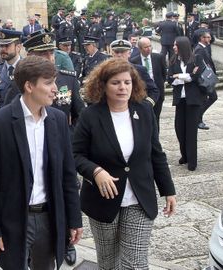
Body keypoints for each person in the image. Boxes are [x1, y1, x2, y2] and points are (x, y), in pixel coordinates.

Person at [0, 55, 83, 270]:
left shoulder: (58, 119)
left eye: (55, 81)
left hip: (48, 216)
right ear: (29, 86)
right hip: (14, 219)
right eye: (48, 83)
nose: (55, 88)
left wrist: (74, 218)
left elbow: (68, 175)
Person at [73, 57, 177, 269]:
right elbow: (75, 154)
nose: (123, 87)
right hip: (103, 200)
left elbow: (156, 153)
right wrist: (95, 171)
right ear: (103, 85)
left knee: (135, 264)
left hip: (139, 198)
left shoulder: (145, 111)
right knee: (108, 262)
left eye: (127, 82)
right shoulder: (90, 115)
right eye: (116, 83)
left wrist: (169, 190)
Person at [22, 31, 86, 266]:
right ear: (30, 56)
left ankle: (67, 243)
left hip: (61, 152)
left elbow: (80, 115)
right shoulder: (21, 83)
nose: (49, 57)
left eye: (51, 52)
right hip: (32, 153)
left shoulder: (67, 79)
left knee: (65, 194)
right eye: (43, 53)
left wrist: (72, 143)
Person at [168, 36, 207, 171]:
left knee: (191, 131)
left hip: (193, 100)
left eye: (175, 45)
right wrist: (185, 76)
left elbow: (196, 77)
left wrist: (179, 76)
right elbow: (170, 79)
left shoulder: (196, 58)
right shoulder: (173, 60)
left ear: (182, 46)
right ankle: (184, 155)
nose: (173, 47)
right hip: (180, 99)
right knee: (179, 129)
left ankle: (192, 160)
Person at [130, 37, 167, 129]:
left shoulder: (158, 58)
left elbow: (163, 74)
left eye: (150, 46)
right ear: (140, 48)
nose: (149, 48)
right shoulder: (134, 61)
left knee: (156, 118)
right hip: (142, 94)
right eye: (146, 47)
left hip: (157, 93)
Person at [110, 39, 159, 106]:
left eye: (122, 52)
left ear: (129, 54)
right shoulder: (106, 71)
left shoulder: (139, 70)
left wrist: (147, 105)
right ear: (112, 54)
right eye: (116, 52)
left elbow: (154, 91)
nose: (119, 55)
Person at [0, 29, 23, 111]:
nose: (2, 49)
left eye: (7, 46)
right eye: (1, 46)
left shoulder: (28, 68)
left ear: (18, 47)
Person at [195, 31, 217, 130]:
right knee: (212, 97)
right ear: (201, 38)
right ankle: (197, 119)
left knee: (208, 98)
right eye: (207, 37)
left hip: (207, 78)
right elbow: (200, 66)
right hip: (204, 79)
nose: (210, 39)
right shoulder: (199, 49)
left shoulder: (204, 48)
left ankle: (198, 119)